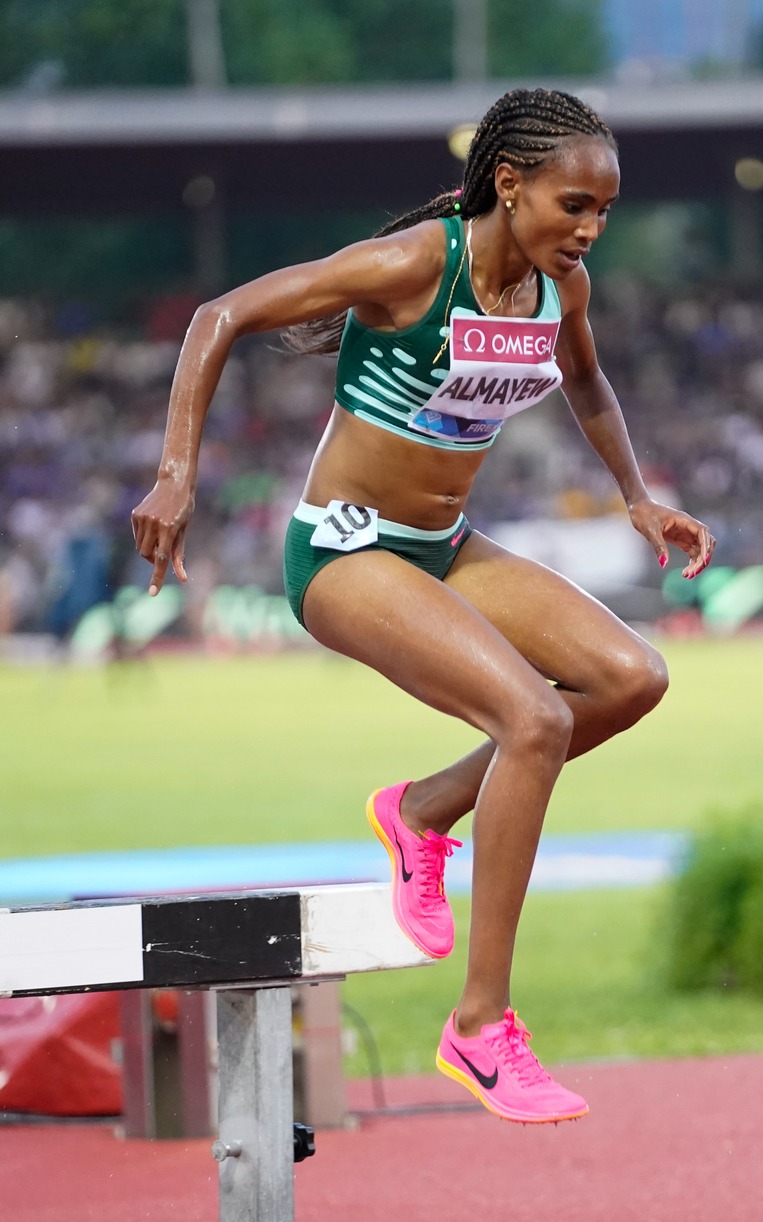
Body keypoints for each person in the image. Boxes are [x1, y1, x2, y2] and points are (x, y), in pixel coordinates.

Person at [130, 89, 714, 1124]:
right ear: (508, 182)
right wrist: (177, 473)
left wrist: (636, 495)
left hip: (442, 548)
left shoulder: (560, 291)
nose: (588, 229)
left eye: (604, 213)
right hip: (347, 551)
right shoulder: (414, 266)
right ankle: (479, 1030)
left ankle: (423, 810)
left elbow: (588, 386)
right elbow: (218, 316)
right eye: (573, 205)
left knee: (632, 678)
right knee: (531, 720)